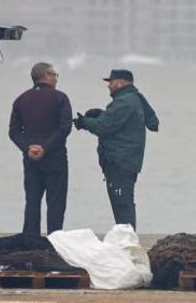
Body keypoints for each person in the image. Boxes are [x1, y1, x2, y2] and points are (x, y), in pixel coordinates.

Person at [74, 69, 158, 230]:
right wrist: (102, 114)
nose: (109, 86)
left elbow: (104, 127)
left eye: (111, 82)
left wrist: (84, 122)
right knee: (125, 202)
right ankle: (127, 239)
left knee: (121, 205)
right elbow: (141, 122)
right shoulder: (136, 99)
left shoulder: (123, 102)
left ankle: (126, 242)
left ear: (120, 83)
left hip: (119, 161)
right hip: (130, 161)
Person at [9, 62, 72, 235]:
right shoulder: (60, 98)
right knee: (56, 203)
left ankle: (31, 240)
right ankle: (55, 240)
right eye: (54, 75)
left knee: (32, 202)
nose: (56, 78)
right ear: (46, 76)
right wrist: (45, 148)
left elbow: (14, 132)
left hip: (31, 159)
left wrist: (28, 148)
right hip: (55, 159)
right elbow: (65, 128)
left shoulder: (21, 100)